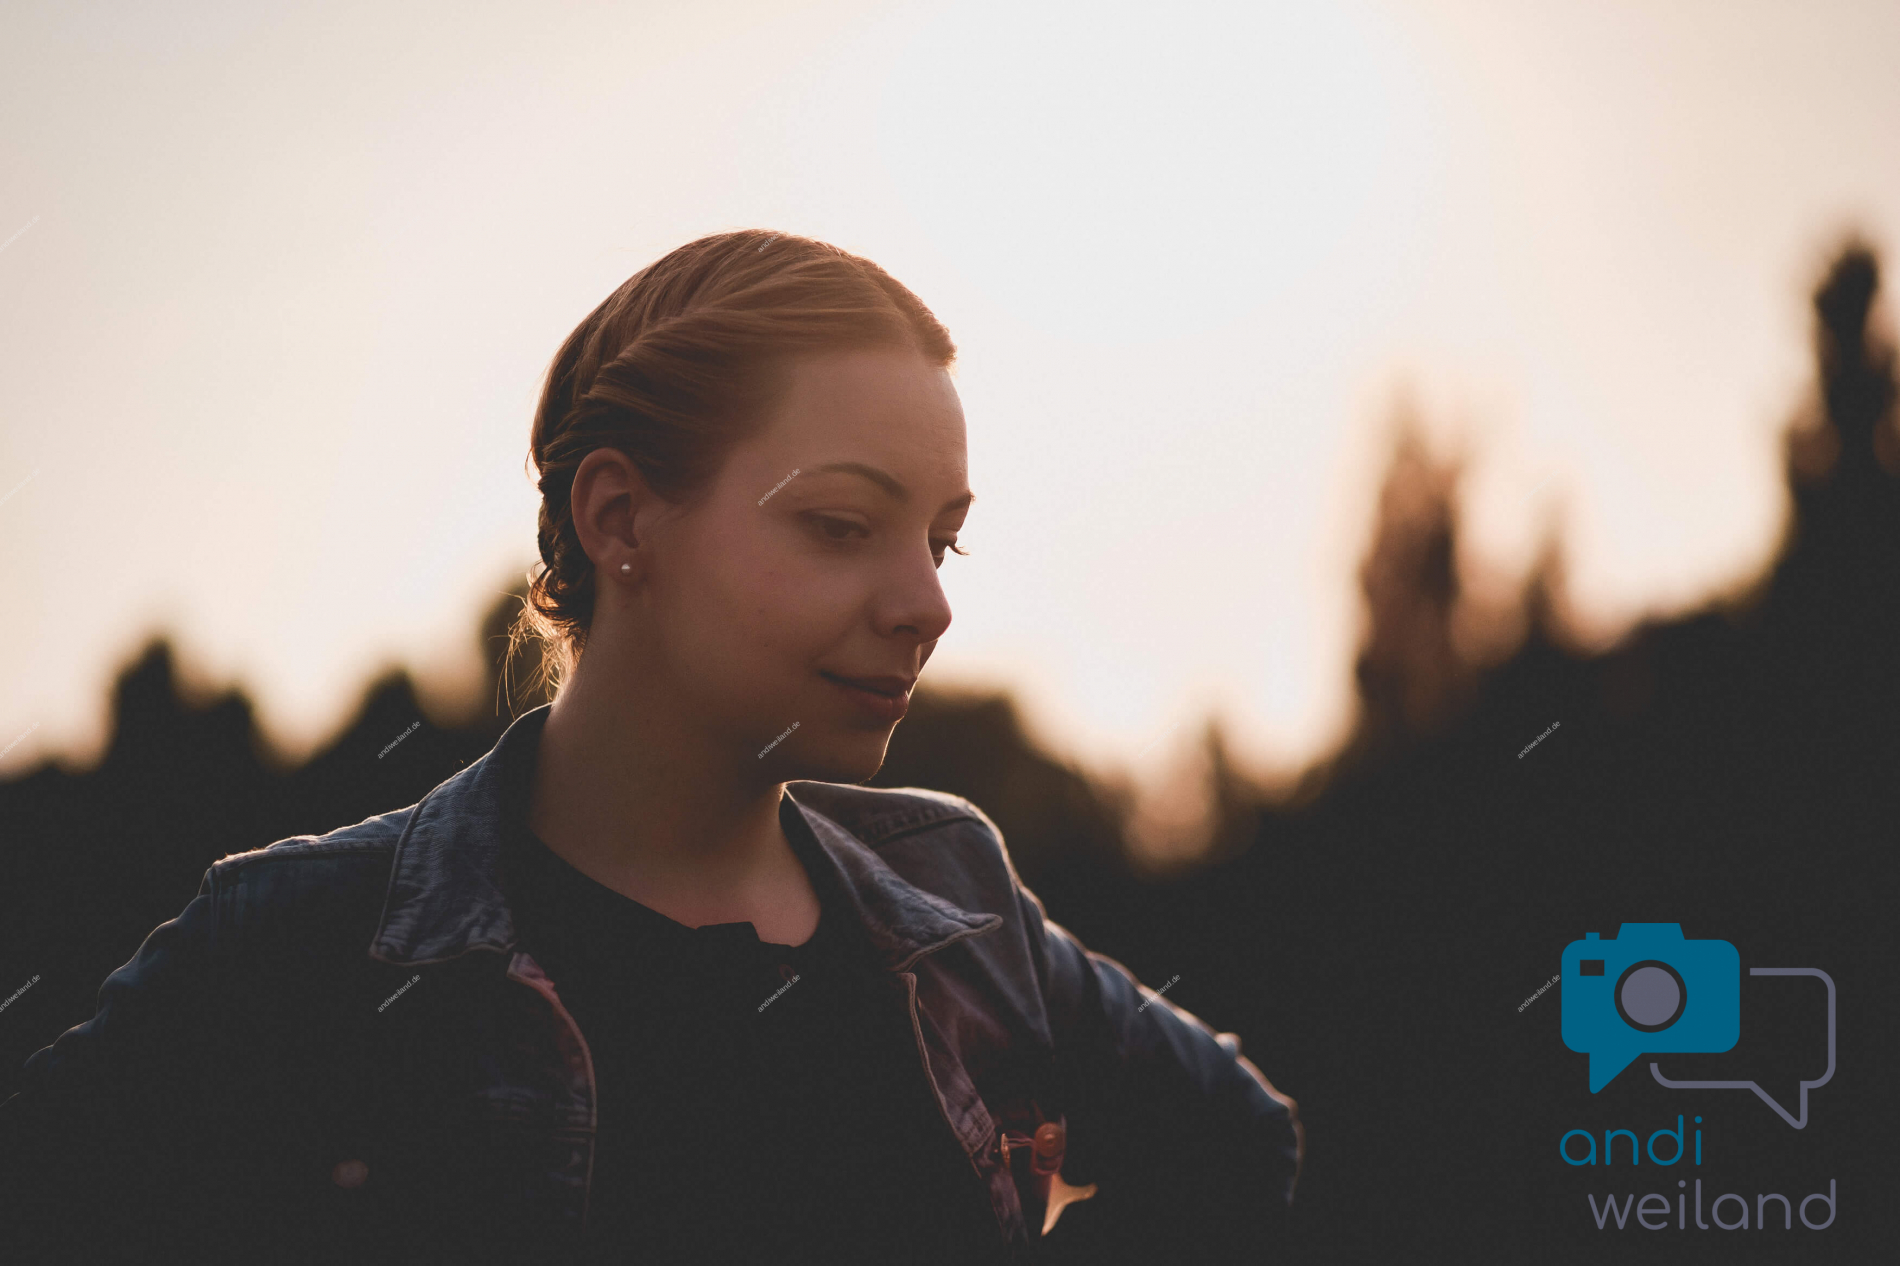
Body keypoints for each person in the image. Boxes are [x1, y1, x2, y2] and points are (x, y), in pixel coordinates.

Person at [0, 229, 1302, 1264]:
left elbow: (1241, 1143)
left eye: (941, 536)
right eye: (846, 524)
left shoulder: (957, 896)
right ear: (622, 517)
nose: (928, 600)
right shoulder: (301, 939)